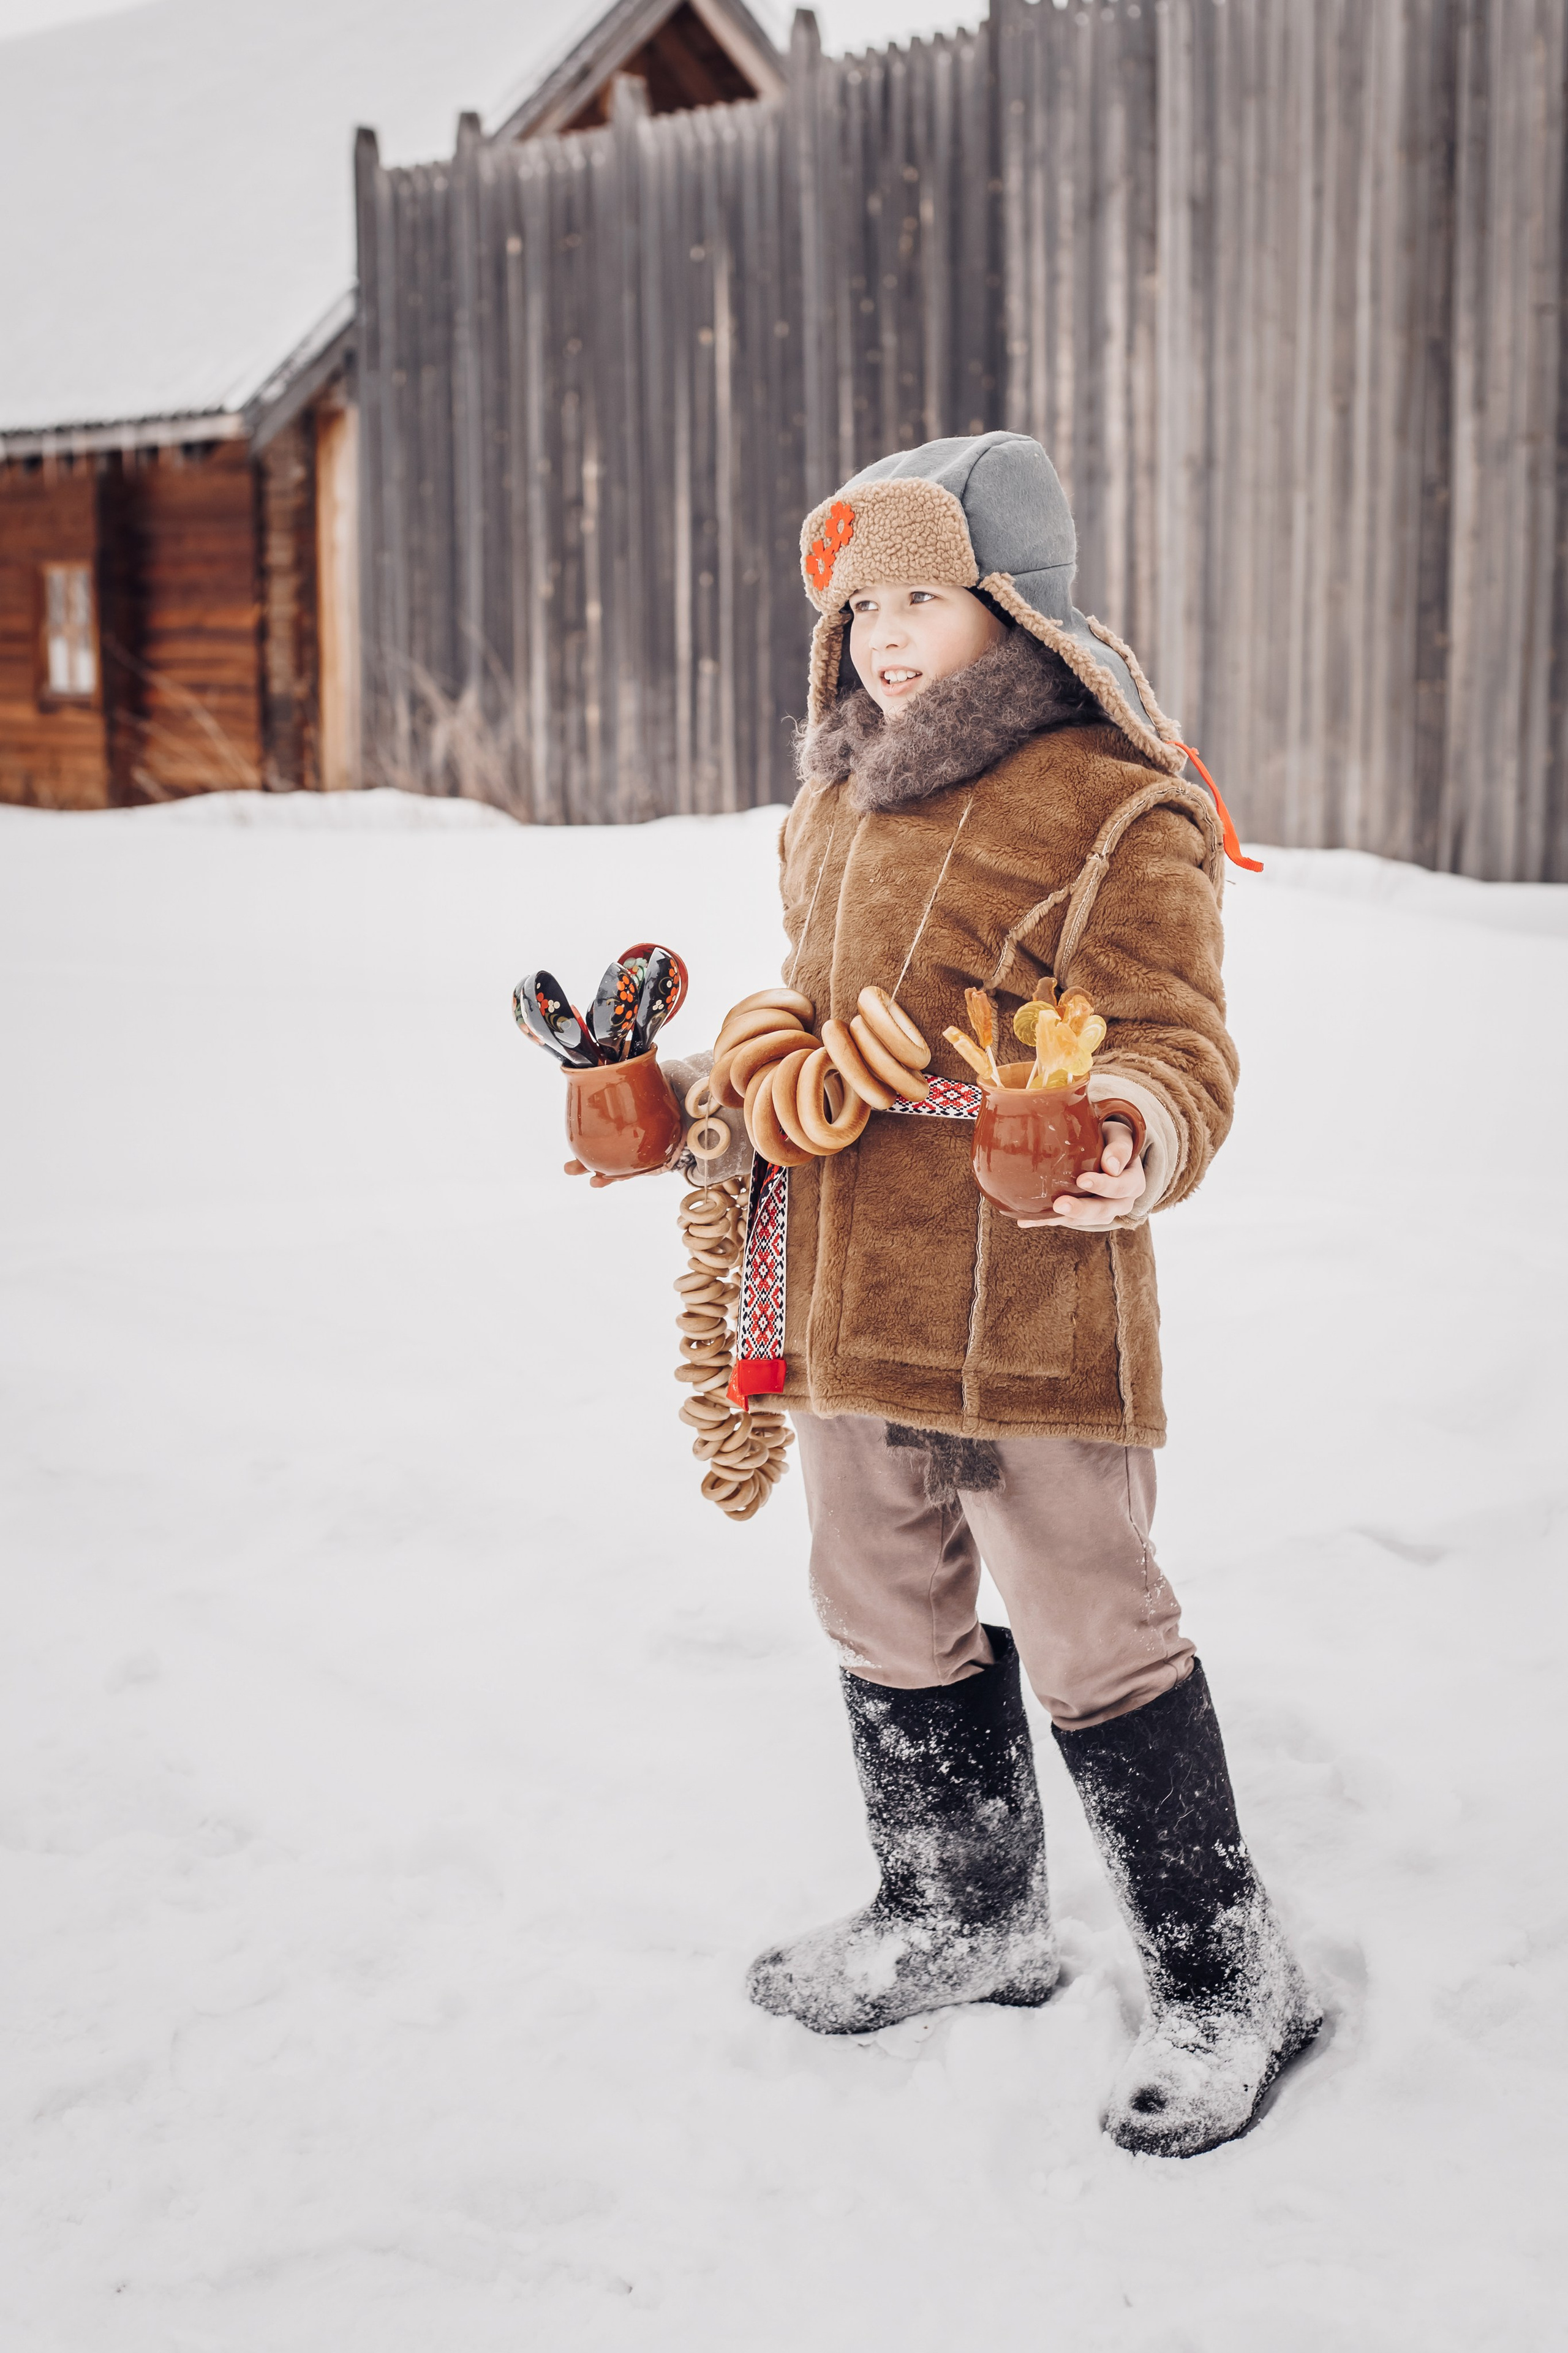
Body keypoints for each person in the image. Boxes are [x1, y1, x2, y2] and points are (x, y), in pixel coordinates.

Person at [573, 431, 1319, 2159]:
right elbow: (815, 1031)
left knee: (1091, 1622)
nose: (887, 638)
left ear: (1012, 604)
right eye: (862, 606)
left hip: (1029, 1288)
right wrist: (676, 1102)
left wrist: (1137, 1125)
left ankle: (1229, 1975)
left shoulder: (1110, 798)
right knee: (880, 1599)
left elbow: (1173, 1038)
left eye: (924, 596)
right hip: (849, 1284)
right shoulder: (836, 799)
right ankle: (960, 1906)